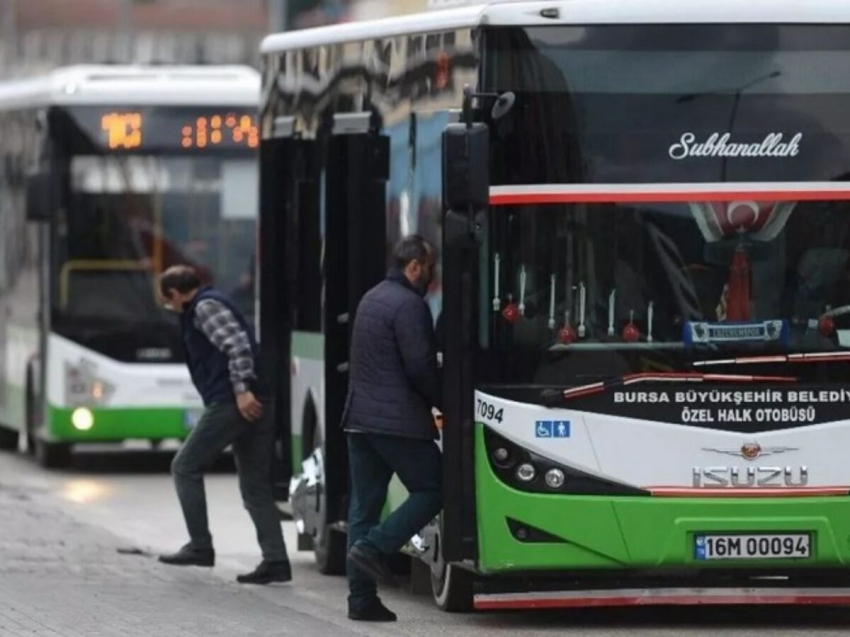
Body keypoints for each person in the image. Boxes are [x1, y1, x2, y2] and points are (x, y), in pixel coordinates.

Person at [157, 264, 291, 585]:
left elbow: (238, 347)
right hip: (254, 399)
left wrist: (242, 389)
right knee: (255, 487)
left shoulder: (204, 307)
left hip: (234, 401)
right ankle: (276, 561)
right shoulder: (208, 303)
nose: (169, 307)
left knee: (184, 466)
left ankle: (200, 546)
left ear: (175, 294)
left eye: (167, 300)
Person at [343, 235, 443, 623]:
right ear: (414, 266)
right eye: (430, 270)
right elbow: (420, 366)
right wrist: (445, 402)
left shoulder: (371, 298)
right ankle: (375, 547)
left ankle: (361, 600)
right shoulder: (410, 306)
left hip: (359, 421)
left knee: (363, 509)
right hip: (396, 422)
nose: (431, 278)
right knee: (435, 487)